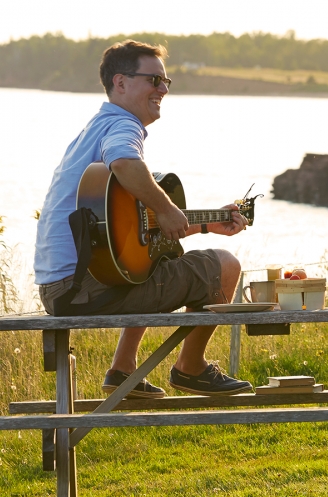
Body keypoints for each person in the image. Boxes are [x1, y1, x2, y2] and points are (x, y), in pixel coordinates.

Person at [34, 40, 253, 397]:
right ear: (120, 83)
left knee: (155, 257)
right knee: (225, 265)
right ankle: (191, 369)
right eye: (154, 80)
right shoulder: (124, 126)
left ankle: (122, 371)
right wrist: (166, 209)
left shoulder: (95, 129)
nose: (163, 89)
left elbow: (119, 230)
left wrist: (201, 224)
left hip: (64, 289)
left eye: (167, 82)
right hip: (84, 290)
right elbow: (124, 162)